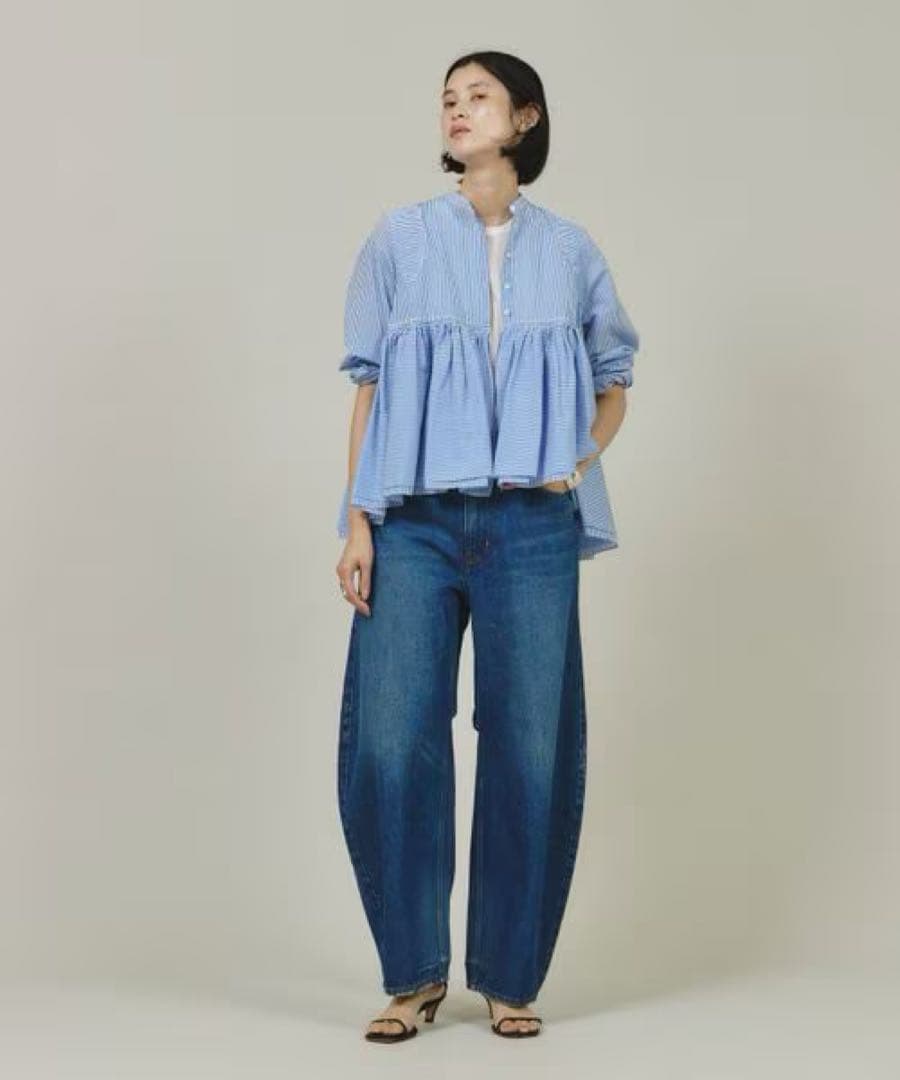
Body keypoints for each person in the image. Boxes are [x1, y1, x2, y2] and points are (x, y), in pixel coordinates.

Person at [334, 50, 640, 1043]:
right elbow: (370, 387)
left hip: (531, 529)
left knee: (528, 746)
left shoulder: (571, 250)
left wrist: (575, 461)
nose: (457, 111)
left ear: (527, 117)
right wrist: (357, 519)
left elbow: (614, 379)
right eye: (448, 100)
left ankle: (510, 974)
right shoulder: (399, 238)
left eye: (478, 97)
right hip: (414, 520)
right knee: (391, 741)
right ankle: (413, 974)